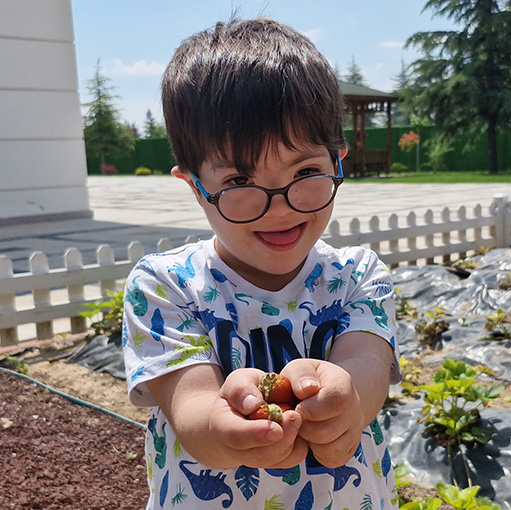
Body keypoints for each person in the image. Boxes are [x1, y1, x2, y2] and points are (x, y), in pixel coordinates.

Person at [122, 18, 401, 510]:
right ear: (195, 187)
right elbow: (191, 408)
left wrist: (346, 399)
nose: (280, 206)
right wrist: (221, 426)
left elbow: (368, 366)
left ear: (338, 161)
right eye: (239, 181)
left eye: (306, 170)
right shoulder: (166, 285)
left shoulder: (357, 276)